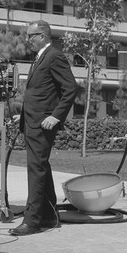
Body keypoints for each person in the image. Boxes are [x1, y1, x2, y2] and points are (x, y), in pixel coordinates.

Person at [10, 20, 78, 236]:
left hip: (43, 125)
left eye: (32, 36)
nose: (28, 40)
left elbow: (70, 89)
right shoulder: (39, 58)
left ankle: (32, 221)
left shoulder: (54, 56)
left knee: (36, 170)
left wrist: (56, 117)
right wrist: (23, 114)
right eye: (27, 36)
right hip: (32, 121)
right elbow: (41, 93)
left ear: (43, 36)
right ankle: (49, 215)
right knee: (42, 167)